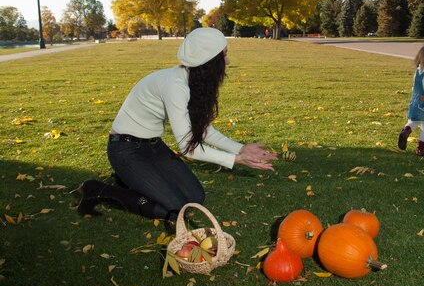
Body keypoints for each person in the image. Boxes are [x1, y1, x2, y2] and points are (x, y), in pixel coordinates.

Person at [77, 27, 277, 220]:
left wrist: (242, 148)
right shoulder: (175, 85)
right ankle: (97, 190)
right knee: (175, 209)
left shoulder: (192, 81)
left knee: (195, 198)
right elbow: (187, 148)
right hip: (125, 149)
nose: (228, 60)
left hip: (153, 146)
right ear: (210, 61)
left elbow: (203, 130)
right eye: (223, 55)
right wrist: (236, 160)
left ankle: (130, 179)